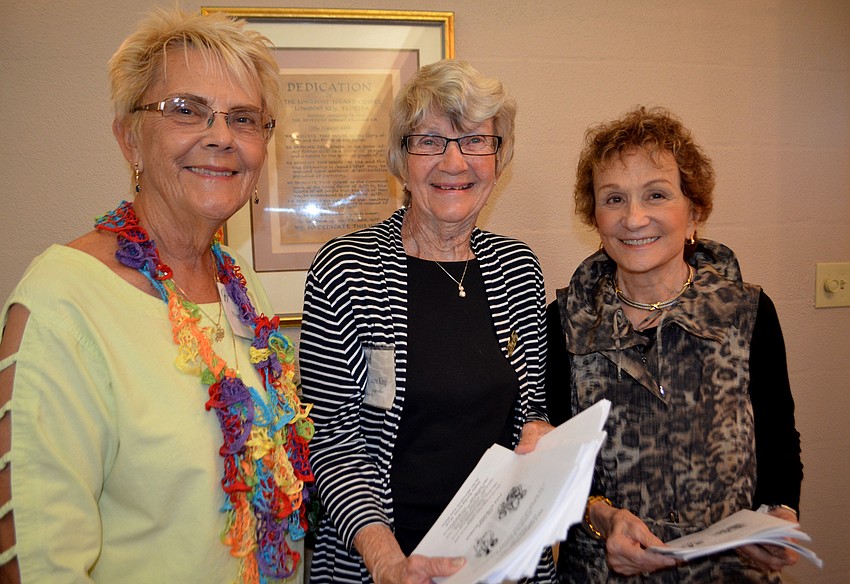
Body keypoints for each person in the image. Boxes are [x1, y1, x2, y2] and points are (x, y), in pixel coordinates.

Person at [0, 9, 314, 583]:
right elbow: (41, 565)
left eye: (244, 118)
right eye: (186, 109)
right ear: (130, 138)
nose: (221, 136)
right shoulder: (62, 302)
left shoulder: (241, 283)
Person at [298, 59, 556, 584]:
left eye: (475, 140)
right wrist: (387, 561)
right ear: (402, 158)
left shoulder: (518, 268)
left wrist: (539, 434)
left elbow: (530, 408)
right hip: (386, 563)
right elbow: (333, 441)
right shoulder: (346, 269)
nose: (454, 161)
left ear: (498, 157)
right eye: (431, 141)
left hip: (498, 562)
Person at [546, 106, 803, 582]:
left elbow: (778, 440)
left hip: (729, 572)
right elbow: (551, 466)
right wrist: (603, 518)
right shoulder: (565, 323)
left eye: (657, 194)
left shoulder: (747, 313)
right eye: (614, 199)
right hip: (602, 572)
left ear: (694, 212)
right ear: (595, 218)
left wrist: (779, 513)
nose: (634, 218)